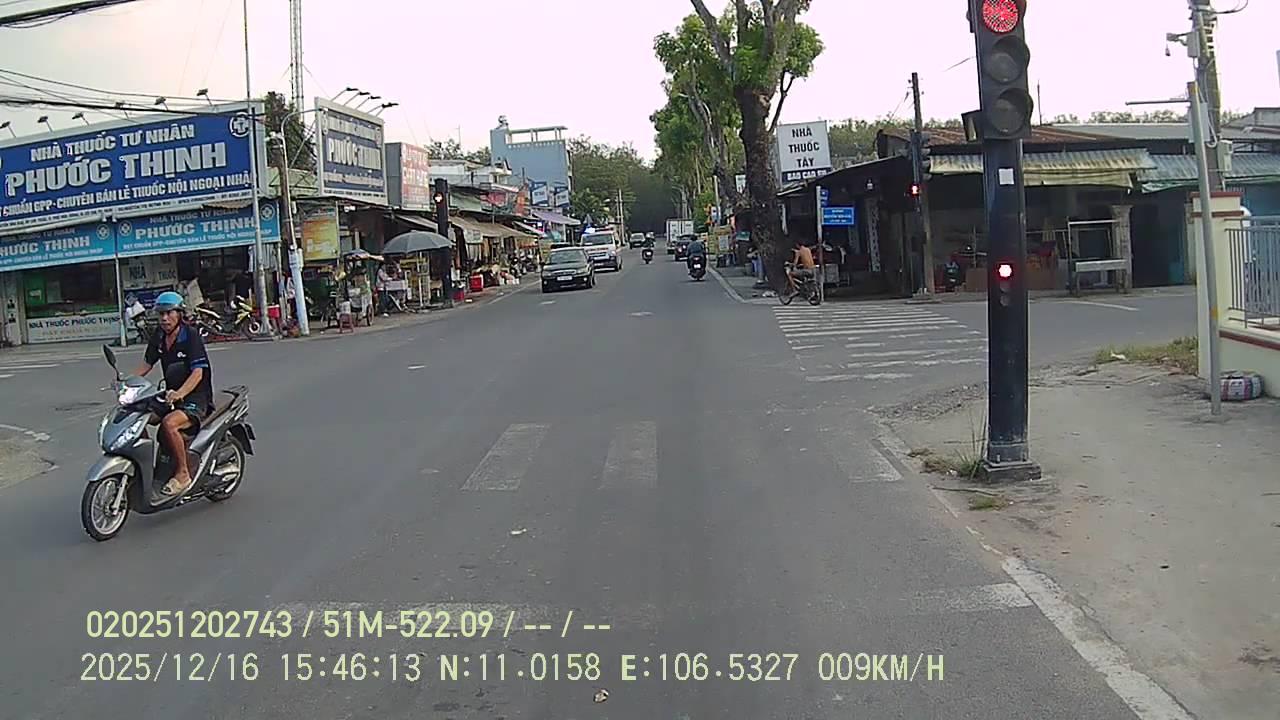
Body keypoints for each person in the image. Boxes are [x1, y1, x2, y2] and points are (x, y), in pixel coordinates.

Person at [131, 291, 213, 497]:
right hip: (170, 395)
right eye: (161, 314)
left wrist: (180, 393)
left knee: (169, 424)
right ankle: (145, 468)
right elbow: (147, 364)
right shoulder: (159, 336)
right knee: (136, 416)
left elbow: (198, 373)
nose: (165, 318)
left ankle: (183, 474)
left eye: (169, 313)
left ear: (179, 314)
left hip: (195, 398)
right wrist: (127, 383)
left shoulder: (190, 336)